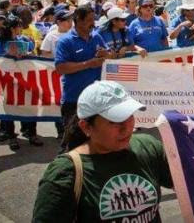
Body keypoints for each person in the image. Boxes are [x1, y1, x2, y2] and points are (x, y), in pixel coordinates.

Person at [32, 80, 173, 222]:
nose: (126, 127)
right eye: (114, 121)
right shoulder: (65, 173)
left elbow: (188, 182)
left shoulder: (148, 147)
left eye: (129, 116)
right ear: (86, 127)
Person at [55, 5, 111, 151]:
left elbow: (110, 55)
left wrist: (107, 54)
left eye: (94, 19)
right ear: (78, 20)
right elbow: (61, 68)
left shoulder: (97, 36)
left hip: (97, 99)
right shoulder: (65, 41)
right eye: (89, 20)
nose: (93, 23)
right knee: (74, 143)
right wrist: (88, 64)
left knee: (97, 141)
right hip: (74, 101)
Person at [0, 15, 42, 149]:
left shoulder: (24, 39)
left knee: (30, 107)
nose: (21, 28)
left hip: (24, 79)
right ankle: (11, 137)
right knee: (9, 109)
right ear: (13, 28)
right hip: (8, 80)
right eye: (19, 26)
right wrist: (9, 56)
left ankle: (31, 133)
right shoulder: (0, 42)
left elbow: (34, 55)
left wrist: (29, 54)